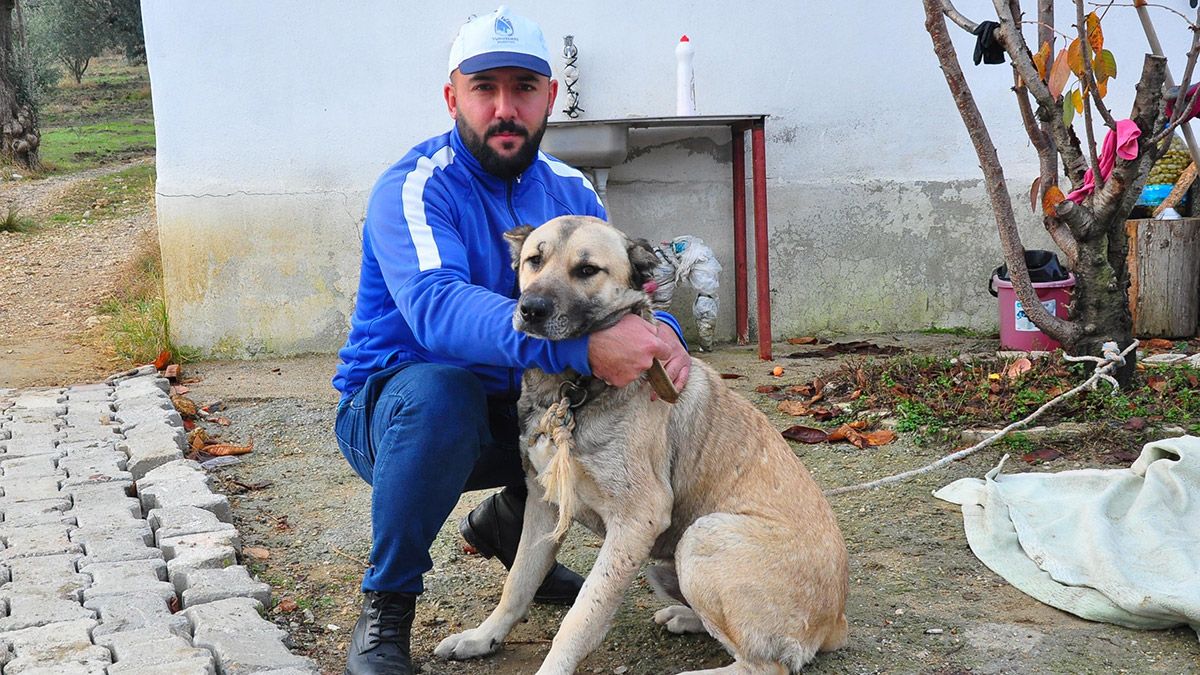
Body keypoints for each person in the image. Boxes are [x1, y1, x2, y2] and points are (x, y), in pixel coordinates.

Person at [331, 7, 690, 674]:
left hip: (514, 407)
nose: (504, 108)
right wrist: (578, 350)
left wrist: (663, 335)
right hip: (397, 414)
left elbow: (617, 292)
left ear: (549, 96)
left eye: (523, 88)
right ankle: (386, 606)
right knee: (443, 393)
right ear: (452, 98)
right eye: (484, 88)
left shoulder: (571, 189)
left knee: (585, 404)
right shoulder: (414, 186)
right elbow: (436, 310)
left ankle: (508, 519)